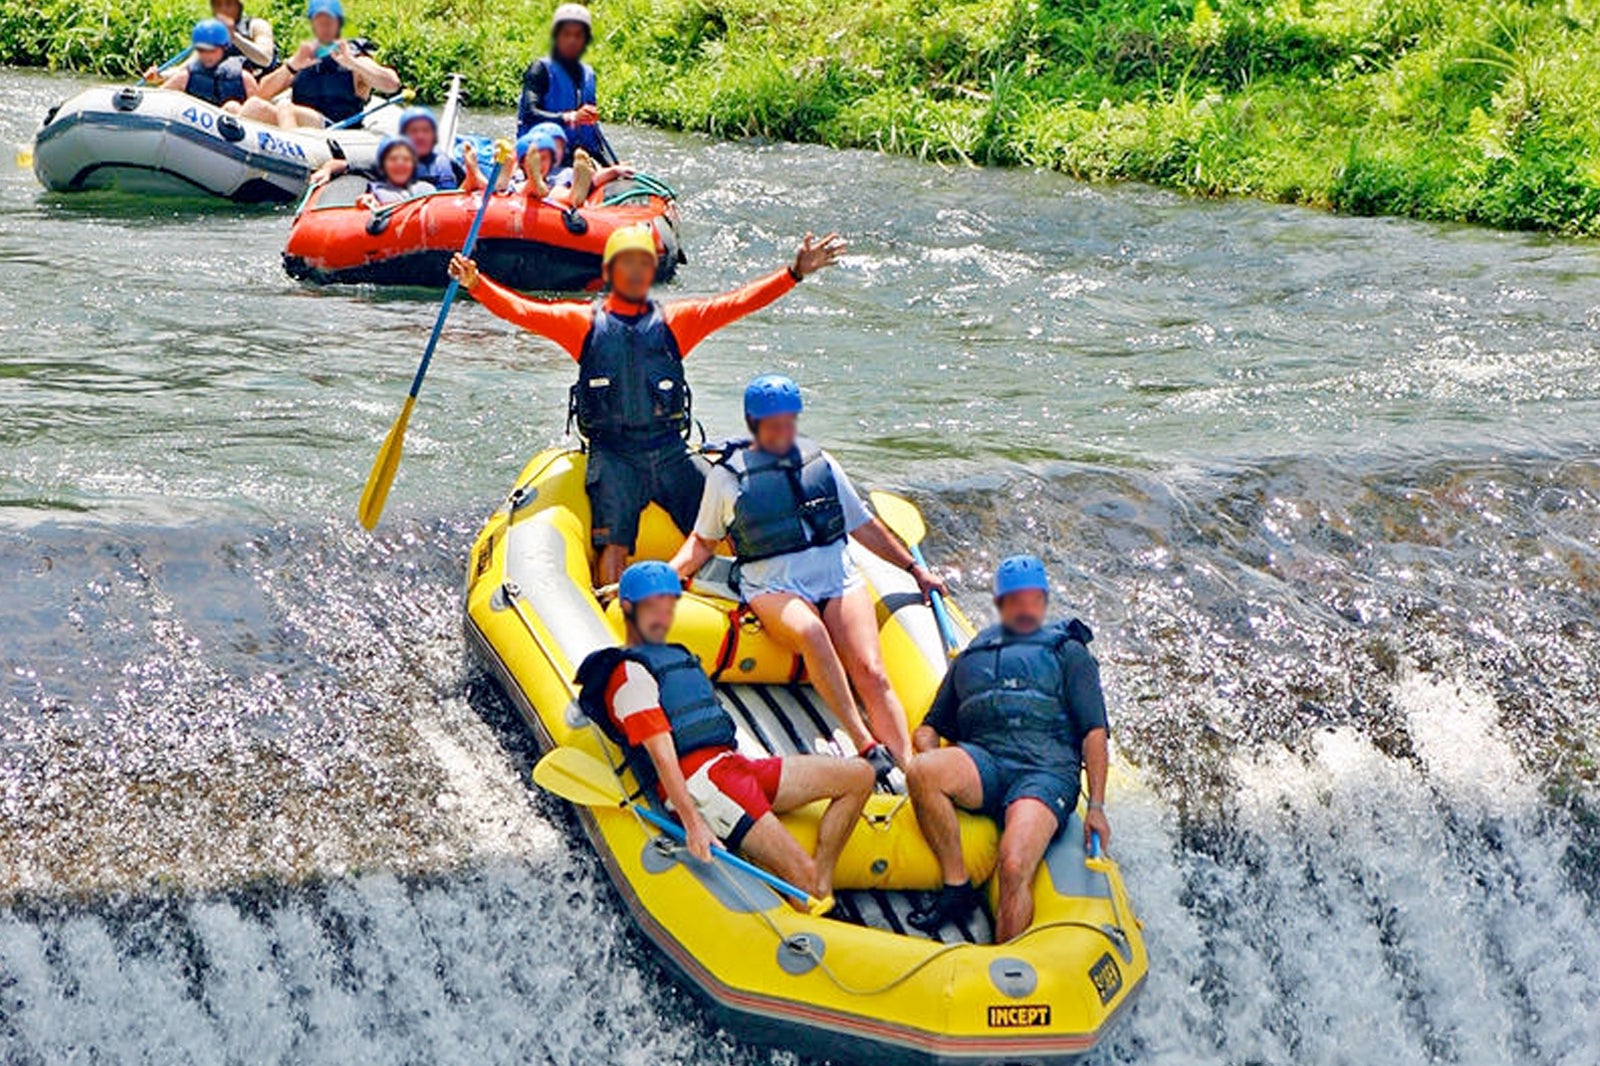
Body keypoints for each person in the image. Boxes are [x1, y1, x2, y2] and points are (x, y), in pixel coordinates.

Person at [445, 228, 846, 586]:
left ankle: (748, 594)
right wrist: (477, 284)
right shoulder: (581, 323)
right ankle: (613, 616)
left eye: (643, 264)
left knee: (727, 523)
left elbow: (737, 303)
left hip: (671, 451)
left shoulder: (677, 322)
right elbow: (524, 311)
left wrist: (792, 274)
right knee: (614, 544)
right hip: (614, 453)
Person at [668, 375, 944, 776]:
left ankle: (911, 769)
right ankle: (864, 743)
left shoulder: (821, 463)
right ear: (753, 422)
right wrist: (668, 574)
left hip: (837, 579)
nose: (784, 431)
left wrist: (915, 569)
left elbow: (862, 526)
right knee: (812, 633)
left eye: (789, 421)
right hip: (773, 586)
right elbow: (703, 542)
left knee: (872, 671)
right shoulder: (726, 478)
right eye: (773, 423)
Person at [575, 561, 874, 905]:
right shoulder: (628, 675)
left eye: (668, 602)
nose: (662, 611)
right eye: (650, 603)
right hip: (703, 785)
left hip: (733, 767)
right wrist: (693, 824)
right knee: (806, 882)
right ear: (627, 607)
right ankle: (810, 891)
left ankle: (817, 881)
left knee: (860, 776)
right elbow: (661, 753)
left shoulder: (677, 655)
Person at [903, 555, 1111, 942]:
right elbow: (930, 726)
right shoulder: (973, 656)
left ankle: (1008, 962)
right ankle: (957, 886)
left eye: (1032, 598)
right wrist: (929, 754)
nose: (1024, 606)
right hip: (986, 763)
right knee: (921, 772)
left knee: (1014, 864)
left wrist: (1096, 807)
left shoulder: (1069, 652)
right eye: (1014, 598)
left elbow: (1094, 732)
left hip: (1044, 773)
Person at [241, 0, 400, 130]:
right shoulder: (305, 55)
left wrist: (352, 62)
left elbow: (392, 84)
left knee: (285, 108)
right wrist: (292, 66)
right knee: (254, 106)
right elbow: (262, 94)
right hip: (297, 123)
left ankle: (297, 161)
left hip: (337, 129)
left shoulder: (356, 58)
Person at [517, 3, 612, 163]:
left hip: (580, 155)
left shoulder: (588, 74)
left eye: (578, 35)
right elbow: (529, 113)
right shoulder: (540, 69)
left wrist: (609, 166)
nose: (572, 40)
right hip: (543, 155)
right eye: (566, 34)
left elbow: (590, 130)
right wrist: (571, 117)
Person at [309, 106, 483, 192]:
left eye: (425, 132)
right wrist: (326, 170)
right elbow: (342, 164)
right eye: (414, 132)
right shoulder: (391, 161)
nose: (421, 137)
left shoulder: (445, 162)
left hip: (446, 216)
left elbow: (467, 190)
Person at [143, 0, 275, 83]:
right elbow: (187, 67)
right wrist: (160, 75)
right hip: (230, 89)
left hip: (261, 86)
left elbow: (265, 59)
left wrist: (234, 37)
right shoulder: (212, 33)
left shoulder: (257, 26)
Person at [158, 20, 256, 110]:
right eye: (202, 50)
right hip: (191, 124)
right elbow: (158, 98)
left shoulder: (244, 79)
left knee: (232, 107)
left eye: (212, 50)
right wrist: (159, 76)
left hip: (230, 120)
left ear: (223, 47)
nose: (207, 55)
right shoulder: (185, 77)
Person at [355, 136, 435, 208]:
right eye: (393, 159)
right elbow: (367, 202)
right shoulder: (377, 194)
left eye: (406, 159)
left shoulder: (427, 189)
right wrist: (368, 203)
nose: (400, 164)